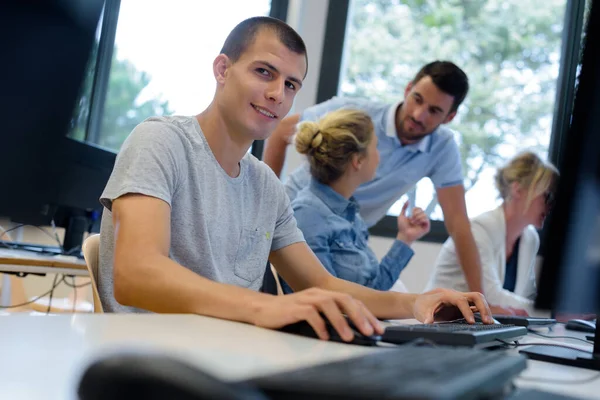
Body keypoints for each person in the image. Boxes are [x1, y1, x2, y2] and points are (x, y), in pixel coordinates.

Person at [97, 16, 493, 342]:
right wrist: (267, 307)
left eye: (290, 85)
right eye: (263, 72)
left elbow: (320, 283)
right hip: (149, 358)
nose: (276, 94)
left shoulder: (266, 187)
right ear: (222, 69)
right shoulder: (160, 141)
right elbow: (136, 275)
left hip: (228, 355)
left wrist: (415, 303)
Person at [263, 61, 505, 312]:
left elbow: (458, 223)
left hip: (350, 234)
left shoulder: (442, 148)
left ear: (450, 117)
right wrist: (268, 210)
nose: (418, 115)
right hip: (298, 224)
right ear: (407, 89)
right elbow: (282, 131)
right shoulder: (355, 115)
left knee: (390, 298)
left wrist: (482, 303)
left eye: (434, 111)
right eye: (417, 99)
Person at [279, 109, 430, 294]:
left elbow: (374, 290)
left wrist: (405, 239)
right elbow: (326, 300)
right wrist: (412, 304)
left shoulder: (350, 215)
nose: (379, 155)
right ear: (358, 160)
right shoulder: (308, 215)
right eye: (375, 147)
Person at [425, 152, 559, 316]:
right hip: (440, 322)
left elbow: (528, 297)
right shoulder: (480, 228)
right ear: (518, 190)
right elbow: (490, 297)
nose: (551, 206)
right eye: (547, 196)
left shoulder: (530, 239)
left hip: (481, 325)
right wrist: (554, 312)